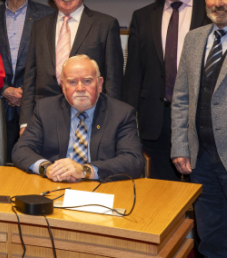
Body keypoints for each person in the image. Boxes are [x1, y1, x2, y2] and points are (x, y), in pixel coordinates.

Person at [122, 0, 208, 181]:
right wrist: (126, 122)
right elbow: (133, 74)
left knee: (204, 195)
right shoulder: (142, 17)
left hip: (201, 120)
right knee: (162, 195)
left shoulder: (212, 8)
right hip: (155, 121)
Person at [19, 0, 123, 130]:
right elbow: (30, 78)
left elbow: (113, 79)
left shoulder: (105, 25)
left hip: (90, 114)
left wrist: (109, 120)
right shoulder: (39, 27)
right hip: (44, 116)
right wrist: (25, 122)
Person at [13, 55, 144, 182]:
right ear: (63, 87)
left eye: (87, 81)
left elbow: (133, 160)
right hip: (55, 184)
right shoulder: (45, 109)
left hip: (101, 188)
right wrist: (47, 168)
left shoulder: (121, 113)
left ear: (99, 84)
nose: (80, 88)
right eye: (72, 82)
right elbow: (21, 149)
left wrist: (85, 171)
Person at [171, 0, 227, 257]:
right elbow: (181, 97)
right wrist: (181, 146)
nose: (218, 2)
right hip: (201, 158)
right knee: (210, 235)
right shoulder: (194, 39)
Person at [0, 0, 55, 161]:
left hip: (33, 104)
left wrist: (26, 92)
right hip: (0, 102)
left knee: (31, 161)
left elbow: (49, 62)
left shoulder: (47, 16)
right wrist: (4, 89)